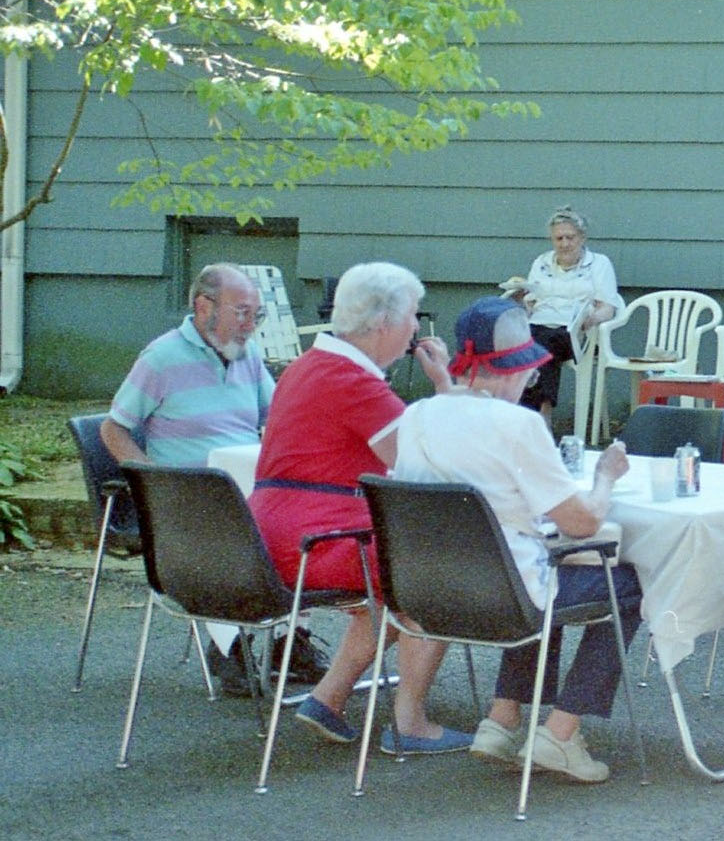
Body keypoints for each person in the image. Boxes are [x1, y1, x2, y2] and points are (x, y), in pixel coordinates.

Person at [392, 297, 643, 783]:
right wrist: (606, 477)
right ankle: (561, 732)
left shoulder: (417, 416)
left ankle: (502, 720)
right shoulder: (520, 424)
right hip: (504, 599)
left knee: (541, 571)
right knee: (626, 583)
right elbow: (582, 523)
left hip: (427, 598)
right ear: (515, 370)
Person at [248, 261, 472, 755]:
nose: (417, 327)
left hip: (272, 532)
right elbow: (430, 461)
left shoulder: (309, 366)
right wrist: (446, 389)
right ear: (383, 322)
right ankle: (411, 724)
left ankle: (327, 698)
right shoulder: (354, 381)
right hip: (315, 538)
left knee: (399, 569)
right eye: (413, 315)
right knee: (432, 573)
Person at [101, 263, 324, 696]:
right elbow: (114, 430)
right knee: (229, 532)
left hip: (246, 483)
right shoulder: (161, 358)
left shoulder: (249, 355)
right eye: (241, 313)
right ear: (204, 307)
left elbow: (277, 420)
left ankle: (287, 642)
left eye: (256, 315)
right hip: (189, 496)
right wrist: (152, 485)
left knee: (303, 520)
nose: (250, 326)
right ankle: (229, 647)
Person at [514, 206, 624, 423]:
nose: (564, 244)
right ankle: (525, 417)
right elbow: (531, 304)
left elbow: (607, 308)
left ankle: (538, 416)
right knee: (521, 342)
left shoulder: (599, 264)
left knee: (539, 345)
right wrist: (518, 300)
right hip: (540, 326)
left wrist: (590, 319)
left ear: (582, 237)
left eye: (570, 237)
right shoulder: (542, 262)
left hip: (578, 333)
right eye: (558, 238)